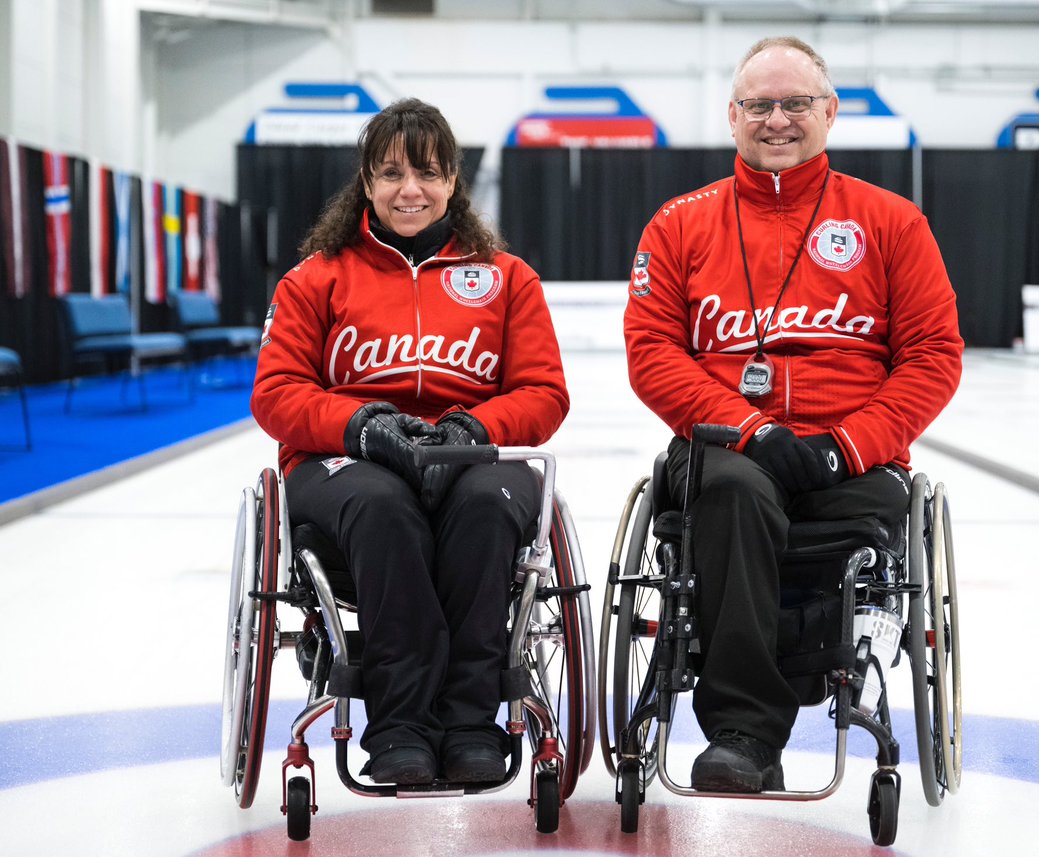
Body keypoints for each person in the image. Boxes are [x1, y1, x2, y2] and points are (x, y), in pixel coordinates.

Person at [624, 37, 963, 793]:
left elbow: (934, 355)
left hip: (853, 459)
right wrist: (752, 431)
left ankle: (790, 670)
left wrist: (848, 445)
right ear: (733, 116)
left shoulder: (892, 222)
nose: (777, 120)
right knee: (736, 488)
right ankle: (745, 734)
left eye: (796, 103)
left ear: (830, 112)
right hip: (724, 449)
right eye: (759, 106)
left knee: (795, 499)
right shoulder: (678, 224)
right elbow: (653, 355)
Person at [251, 98, 569, 786]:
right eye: (391, 173)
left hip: (473, 456)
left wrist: (474, 427)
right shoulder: (315, 279)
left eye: (426, 173)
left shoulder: (510, 279)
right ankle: (399, 724)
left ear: (453, 180)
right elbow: (275, 393)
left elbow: (545, 393)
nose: (409, 190)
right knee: (382, 506)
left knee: (487, 506)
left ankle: (469, 720)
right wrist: (362, 423)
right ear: (366, 182)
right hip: (350, 461)